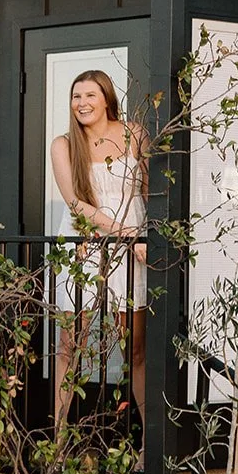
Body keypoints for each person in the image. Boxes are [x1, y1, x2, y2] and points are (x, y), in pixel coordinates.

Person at [49, 70, 148, 427]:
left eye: (90, 95)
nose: (82, 103)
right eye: (76, 96)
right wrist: (127, 233)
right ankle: (58, 440)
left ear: (106, 99)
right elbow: (75, 204)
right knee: (68, 345)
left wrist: (145, 239)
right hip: (86, 246)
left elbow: (151, 191)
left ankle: (148, 448)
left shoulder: (135, 134)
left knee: (134, 348)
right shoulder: (63, 144)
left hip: (135, 248)